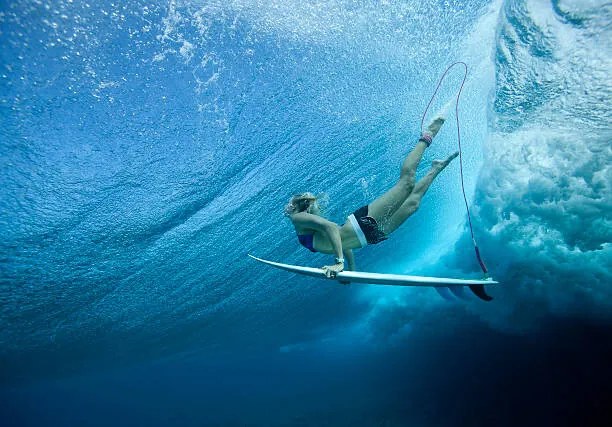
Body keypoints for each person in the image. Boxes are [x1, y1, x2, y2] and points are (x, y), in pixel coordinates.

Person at [285, 117, 458, 278]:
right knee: (413, 205)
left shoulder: (296, 218)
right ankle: (436, 168)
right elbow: (342, 244)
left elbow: (330, 227)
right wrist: (350, 272)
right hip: (369, 237)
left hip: (362, 223)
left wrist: (338, 263)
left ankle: (428, 134)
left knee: (407, 183)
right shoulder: (304, 222)